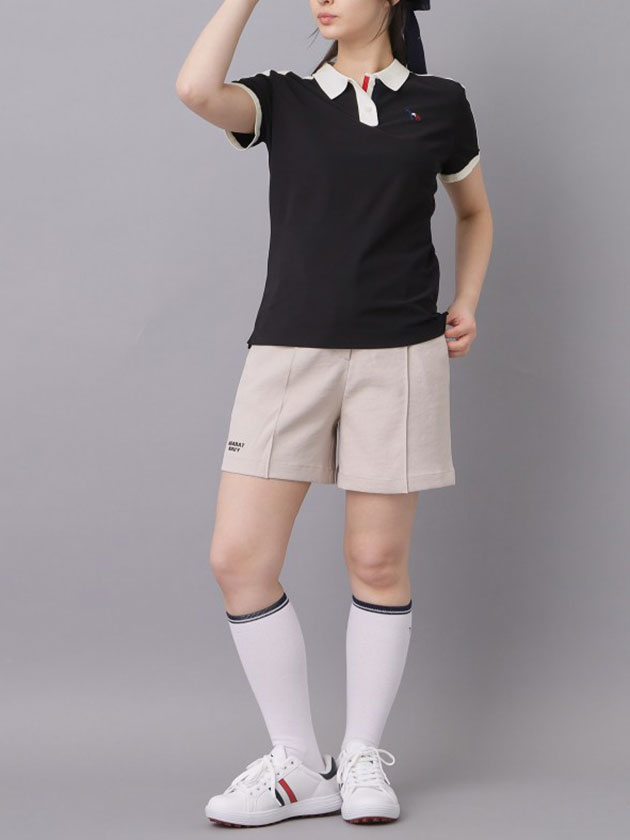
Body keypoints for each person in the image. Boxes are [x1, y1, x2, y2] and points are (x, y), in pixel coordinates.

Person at [176, 0, 493, 827]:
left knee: (378, 563)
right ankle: (296, 764)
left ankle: (359, 757)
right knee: (238, 559)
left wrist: (466, 300)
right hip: (288, 354)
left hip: (403, 356)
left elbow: (473, 210)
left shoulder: (440, 103)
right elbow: (196, 89)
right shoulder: (282, 100)